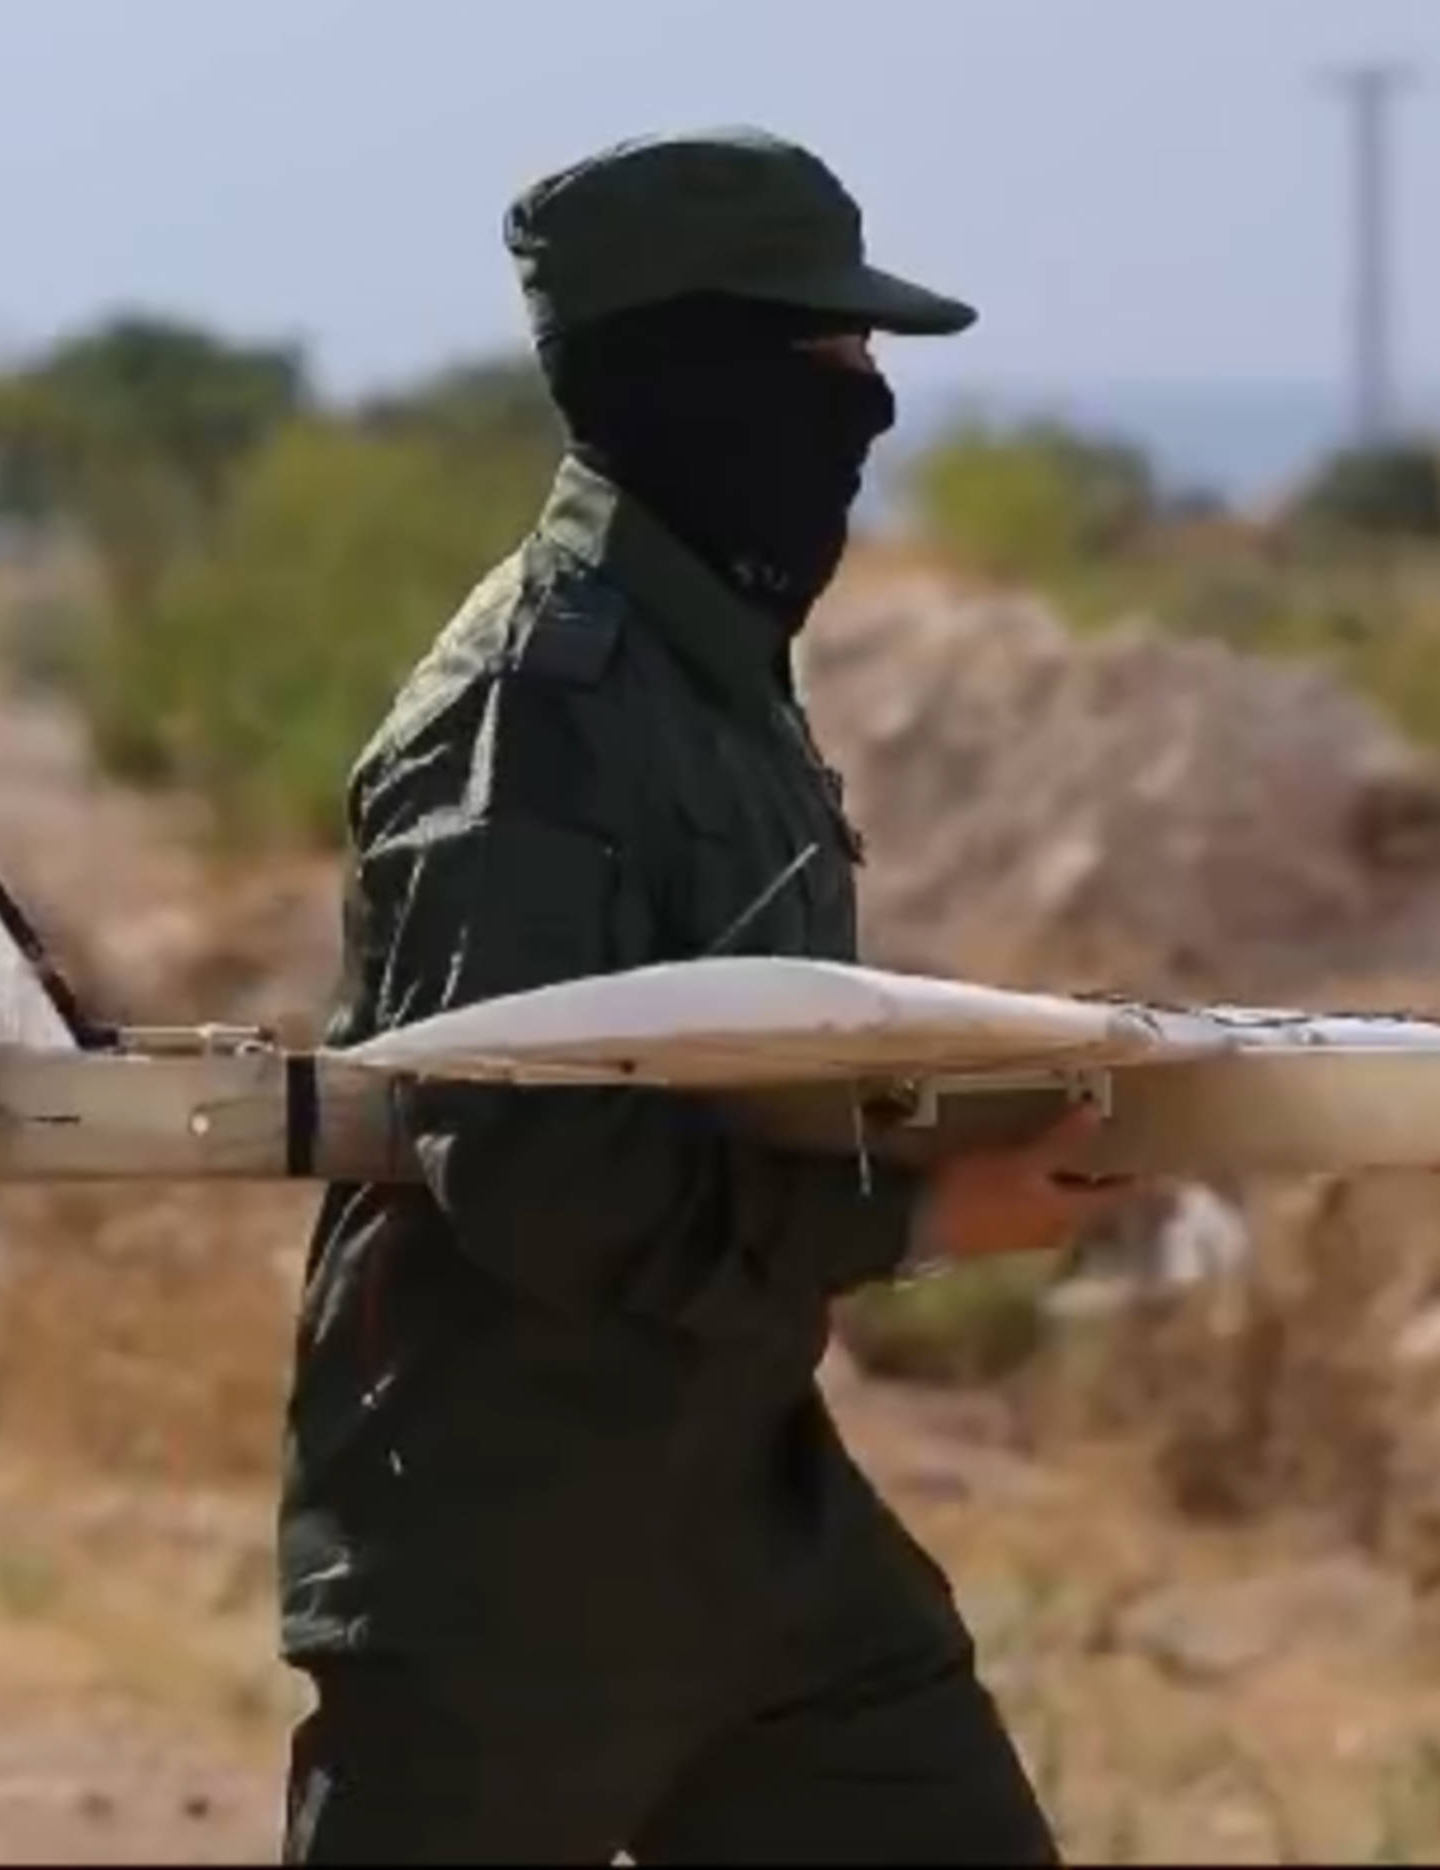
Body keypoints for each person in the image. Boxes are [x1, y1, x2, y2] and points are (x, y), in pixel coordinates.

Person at [276, 125, 1126, 1863]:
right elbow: (521, 1165)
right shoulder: (534, 705)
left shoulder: (713, 673)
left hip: (750, 1526)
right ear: (690, 380)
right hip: (508, 1540)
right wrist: (909, 1216)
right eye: (826, 357)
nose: (872, 405)